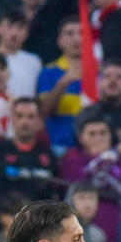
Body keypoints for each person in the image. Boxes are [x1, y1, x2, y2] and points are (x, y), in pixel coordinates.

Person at [36, 18, 88, 151]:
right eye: (70, 34)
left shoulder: (100, 72)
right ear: (60, 41)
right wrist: (64, 82)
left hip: (92, 148)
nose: (77, 39)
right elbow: (44, 110)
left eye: (81, 33)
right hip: (59, 146)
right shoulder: (49, 72)